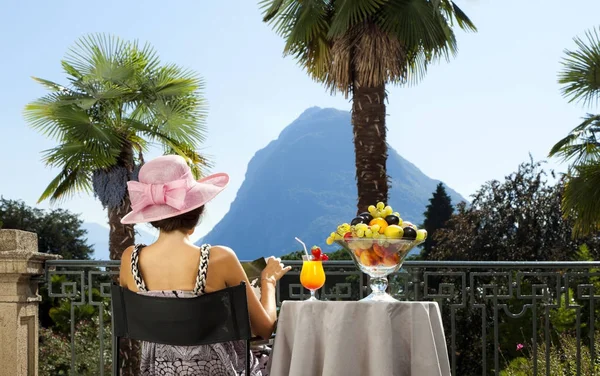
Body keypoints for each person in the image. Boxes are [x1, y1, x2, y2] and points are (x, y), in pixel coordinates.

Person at [118, 155, 291, 375]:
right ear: (197, 211)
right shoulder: (219, 258)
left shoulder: (129, 259)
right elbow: (265, 329)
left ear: (152, 216)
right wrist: (268, 281)